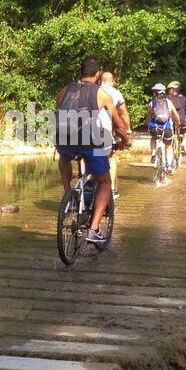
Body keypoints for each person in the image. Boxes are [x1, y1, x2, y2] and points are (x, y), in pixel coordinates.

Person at [55, 56, 130, 248]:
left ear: (80, 72)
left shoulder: (64, 91)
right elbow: (118, 124)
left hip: (63, 141)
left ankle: (68, 195)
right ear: (98, 74)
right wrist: (125, 140)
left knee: (64, 155)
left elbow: (59, 113)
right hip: (91, 143)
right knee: (105, 181)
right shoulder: (101, 94)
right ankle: (94, 229)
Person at [99, 71, 131, 198]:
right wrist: (127, 129)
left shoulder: (94, 90)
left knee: (89, 155)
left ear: (100, 80)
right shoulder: (115, 93)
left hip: (88, 132)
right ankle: (111, 190)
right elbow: (123, 113)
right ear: (112, 81)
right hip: (105, 132)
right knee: (111, 157)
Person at [146, 83, 178, 173]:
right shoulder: (169, 102)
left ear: (154, 93)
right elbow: (176, 115)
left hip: (154, 127)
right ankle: (169, 166)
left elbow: (148, 117)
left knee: (153, 138)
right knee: (168, 146)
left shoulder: (151, 103)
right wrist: (177, 124)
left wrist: (147, 124)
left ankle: (153, 155)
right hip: (166, 127)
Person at [166, 80, 186, 153]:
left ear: (170, 90)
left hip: (169, 121)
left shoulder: (166, 99)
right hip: (181, 120)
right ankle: (184, 142)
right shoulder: (183, 98)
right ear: (177, 89)